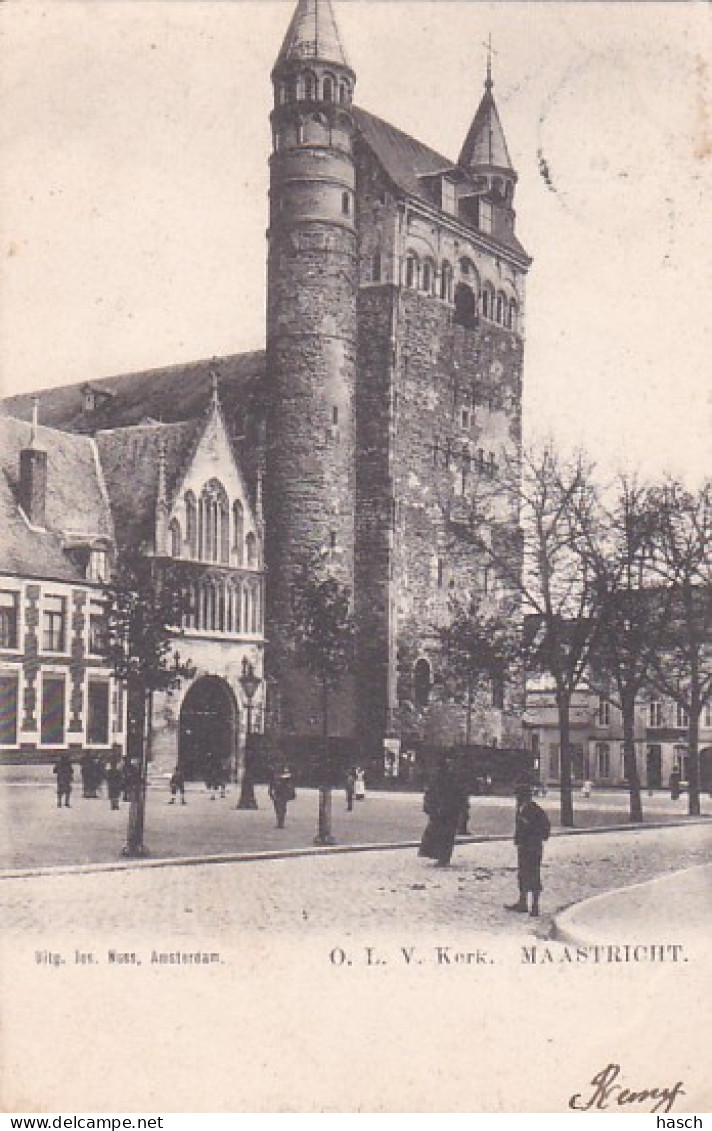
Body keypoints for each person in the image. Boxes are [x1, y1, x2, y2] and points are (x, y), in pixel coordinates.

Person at [505, 781, 551, 918]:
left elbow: (545, 830)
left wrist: (530, 829)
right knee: (523, 873)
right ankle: (523, 901)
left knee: (533, 874)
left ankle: (535, 905)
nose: (517, 799)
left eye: (519, 796)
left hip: (532, 847)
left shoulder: (535, 810)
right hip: (524, 846)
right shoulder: (522, 809)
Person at [418, 758, 466, 868]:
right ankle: (442, 857)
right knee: (443, 834)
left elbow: (432, 792)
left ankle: (442, 857)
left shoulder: (445, 777)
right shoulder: (447, 777)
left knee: (443, 834)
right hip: (445, 810)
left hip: (446, 810)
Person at [269, 763, 295, 829]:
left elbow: (289, 779)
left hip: (282, 791)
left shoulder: (284, 772)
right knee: (279, 806)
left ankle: (280, 822)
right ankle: (280, 821)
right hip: (278, 791)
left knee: (281, 806)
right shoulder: (275, 774)